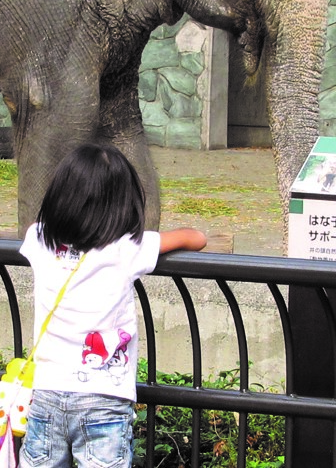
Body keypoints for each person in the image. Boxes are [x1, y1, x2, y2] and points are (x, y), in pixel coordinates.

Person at [18, 143, 207, 468]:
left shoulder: (38, 239)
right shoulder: (127, 248)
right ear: (123, 203)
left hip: (45, 393)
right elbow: (196, 238)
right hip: (104, 397)